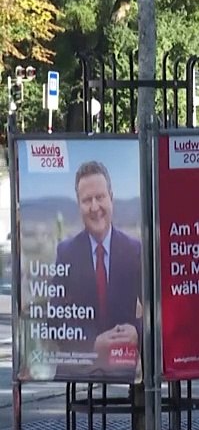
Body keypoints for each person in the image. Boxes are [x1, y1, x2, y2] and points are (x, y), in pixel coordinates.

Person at [53, 160, 143, 375]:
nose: (94, 207)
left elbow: (157, 311)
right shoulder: (65, 252)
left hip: (122, 365)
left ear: (111, 198)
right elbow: (54, 319)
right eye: (87, 200)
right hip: (79, 366)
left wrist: (137, 333)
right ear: (78, 204)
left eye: (100, 197)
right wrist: (93, 344)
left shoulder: (134, 250)